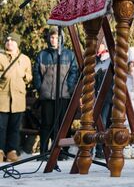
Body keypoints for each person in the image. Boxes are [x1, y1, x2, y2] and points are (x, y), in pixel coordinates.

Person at [33, 27, 77, 160]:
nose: (54, 40)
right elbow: (36, 73)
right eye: (51, 37)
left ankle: (62, 152)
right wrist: (40, 87)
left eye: (56, 37)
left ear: (61, 39)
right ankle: (43, 152)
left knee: (63, 124)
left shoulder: (69, 54)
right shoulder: (42, 55)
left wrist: (69, 87)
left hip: (63, 95)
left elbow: (74, 72)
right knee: (46, 124)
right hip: (47, 96)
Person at [0, 33, 32, 162]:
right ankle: (0, 151)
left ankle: (11, 151)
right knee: (0, 127)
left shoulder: (25, 59)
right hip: (2, 97)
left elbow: (29, 76)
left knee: (14, 127)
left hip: (18, 98)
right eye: (7, 40)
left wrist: (24, 76)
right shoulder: (0, 57)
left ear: (17, 43)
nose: (9, 42)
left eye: (12, 40)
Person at [93, 40, 112, 159]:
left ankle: (103, 149)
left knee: (104, 123)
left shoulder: (109, 59)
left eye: (100, 44)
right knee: (97, 123)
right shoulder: (94, 60)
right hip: (95, 96)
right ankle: (98, 149)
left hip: (107, 96)